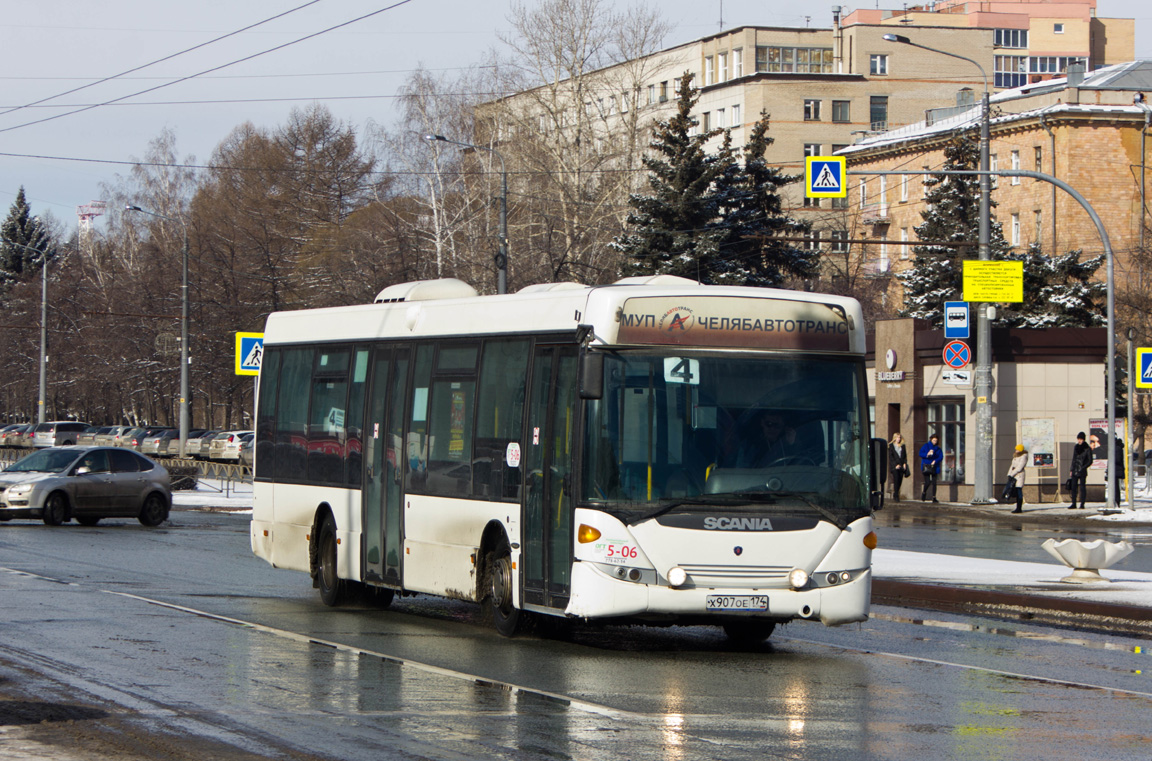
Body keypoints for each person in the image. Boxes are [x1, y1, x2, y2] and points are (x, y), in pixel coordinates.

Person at [1067, 431, 1091, 510]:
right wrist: (1071, 469)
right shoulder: (1076, 447)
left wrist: (1083, 467)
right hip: (1075, 470)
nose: (1079, 440)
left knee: (1082, 487)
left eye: (1081, 439)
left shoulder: (1087, 448)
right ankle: (1073, 503)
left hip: (1082, 471)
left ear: (1084, 439)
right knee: (1073, 487)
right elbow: (1074, 459)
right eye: (1078, 439)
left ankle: (1082, 504)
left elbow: (1090, 461)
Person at [919, 433, 943, 503]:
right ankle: (924, 492)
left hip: (934, 466)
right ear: (931, 439)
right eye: (934, 440)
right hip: (926, 465)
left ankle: (934, 497)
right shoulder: (926, 446)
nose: (935, 442)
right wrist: (927, 454)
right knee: (927, 482)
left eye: (936, 440)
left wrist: (935, 461)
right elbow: (920, 453)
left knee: (934, 482)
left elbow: (940, 457)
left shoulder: (938, 448)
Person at [1006, 444, 1028, 514]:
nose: (1016, 450)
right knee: (1014, 490)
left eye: (1017, 449)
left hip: (1019, 475)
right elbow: (1012, 466)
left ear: (1020, 450)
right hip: (1014, 475)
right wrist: (1009, 474)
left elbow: (1019, 467)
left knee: (1019, 491)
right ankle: (1017, 507)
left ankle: (1019, 508)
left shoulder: (1023, 456)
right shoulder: (1015, 456)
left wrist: (1012, 474)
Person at [888, 432, 909, 501]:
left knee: (900, 480)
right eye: (897, 437)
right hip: (895, 466)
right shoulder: (891, 446)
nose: (899, 439)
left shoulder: (902, 446)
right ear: (895, 438)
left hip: (901, 464)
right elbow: (891, 457)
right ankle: (896, 495)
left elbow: (904, 456)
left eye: (900, 437)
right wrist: (895, 465)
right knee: (896, 479)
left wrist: (904, 463)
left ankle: (896, 493)